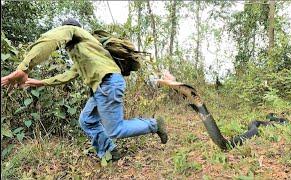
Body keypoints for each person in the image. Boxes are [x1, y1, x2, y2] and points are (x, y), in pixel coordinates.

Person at [1, 18, 168, 165]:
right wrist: (41, 82)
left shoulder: (73, 30)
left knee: (115, 130)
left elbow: (50, 38)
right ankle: (110, 152)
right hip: (103, 85)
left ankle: (154, 124)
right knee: (86, 120)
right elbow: (69, 75)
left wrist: (24, 67)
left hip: (107, 83)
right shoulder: (86, 49)